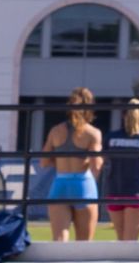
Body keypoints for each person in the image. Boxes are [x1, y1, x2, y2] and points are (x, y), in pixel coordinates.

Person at [40, 88, 105, 243]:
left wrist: (62, 159)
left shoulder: (56, 131)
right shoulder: (93, 133)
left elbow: (43, 162)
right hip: (83, 184)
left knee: (59, 239)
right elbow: (96, 165)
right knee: (83, 243)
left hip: (60, 183)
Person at [102, 102, 139, 240]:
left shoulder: (111, 137)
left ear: (124, 116)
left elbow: (100, 162)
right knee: (130, 242)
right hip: (136, 193)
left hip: (114, 191)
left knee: (121, 240)